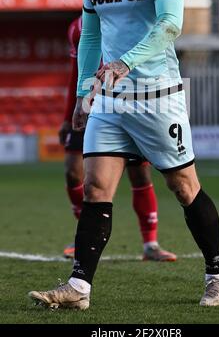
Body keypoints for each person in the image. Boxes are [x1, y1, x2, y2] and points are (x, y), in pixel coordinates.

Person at [29, 0, 219, 310]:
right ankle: (78, 289)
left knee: (183, 186)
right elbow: (90, 37)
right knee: (96, 187)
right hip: (111, 100)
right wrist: (86, 91)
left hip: (157, 96)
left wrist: (124, 62)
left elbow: (171, 25)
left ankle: (217, 275)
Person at [59, 15, 177, 261]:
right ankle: (86, 236)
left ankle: (150, 244)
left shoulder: (131, 19)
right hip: (92, 103)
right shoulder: (79, 28)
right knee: (73, 171)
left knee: (140, 172)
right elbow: (76, 73)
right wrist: (68, 112)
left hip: (126, 100)